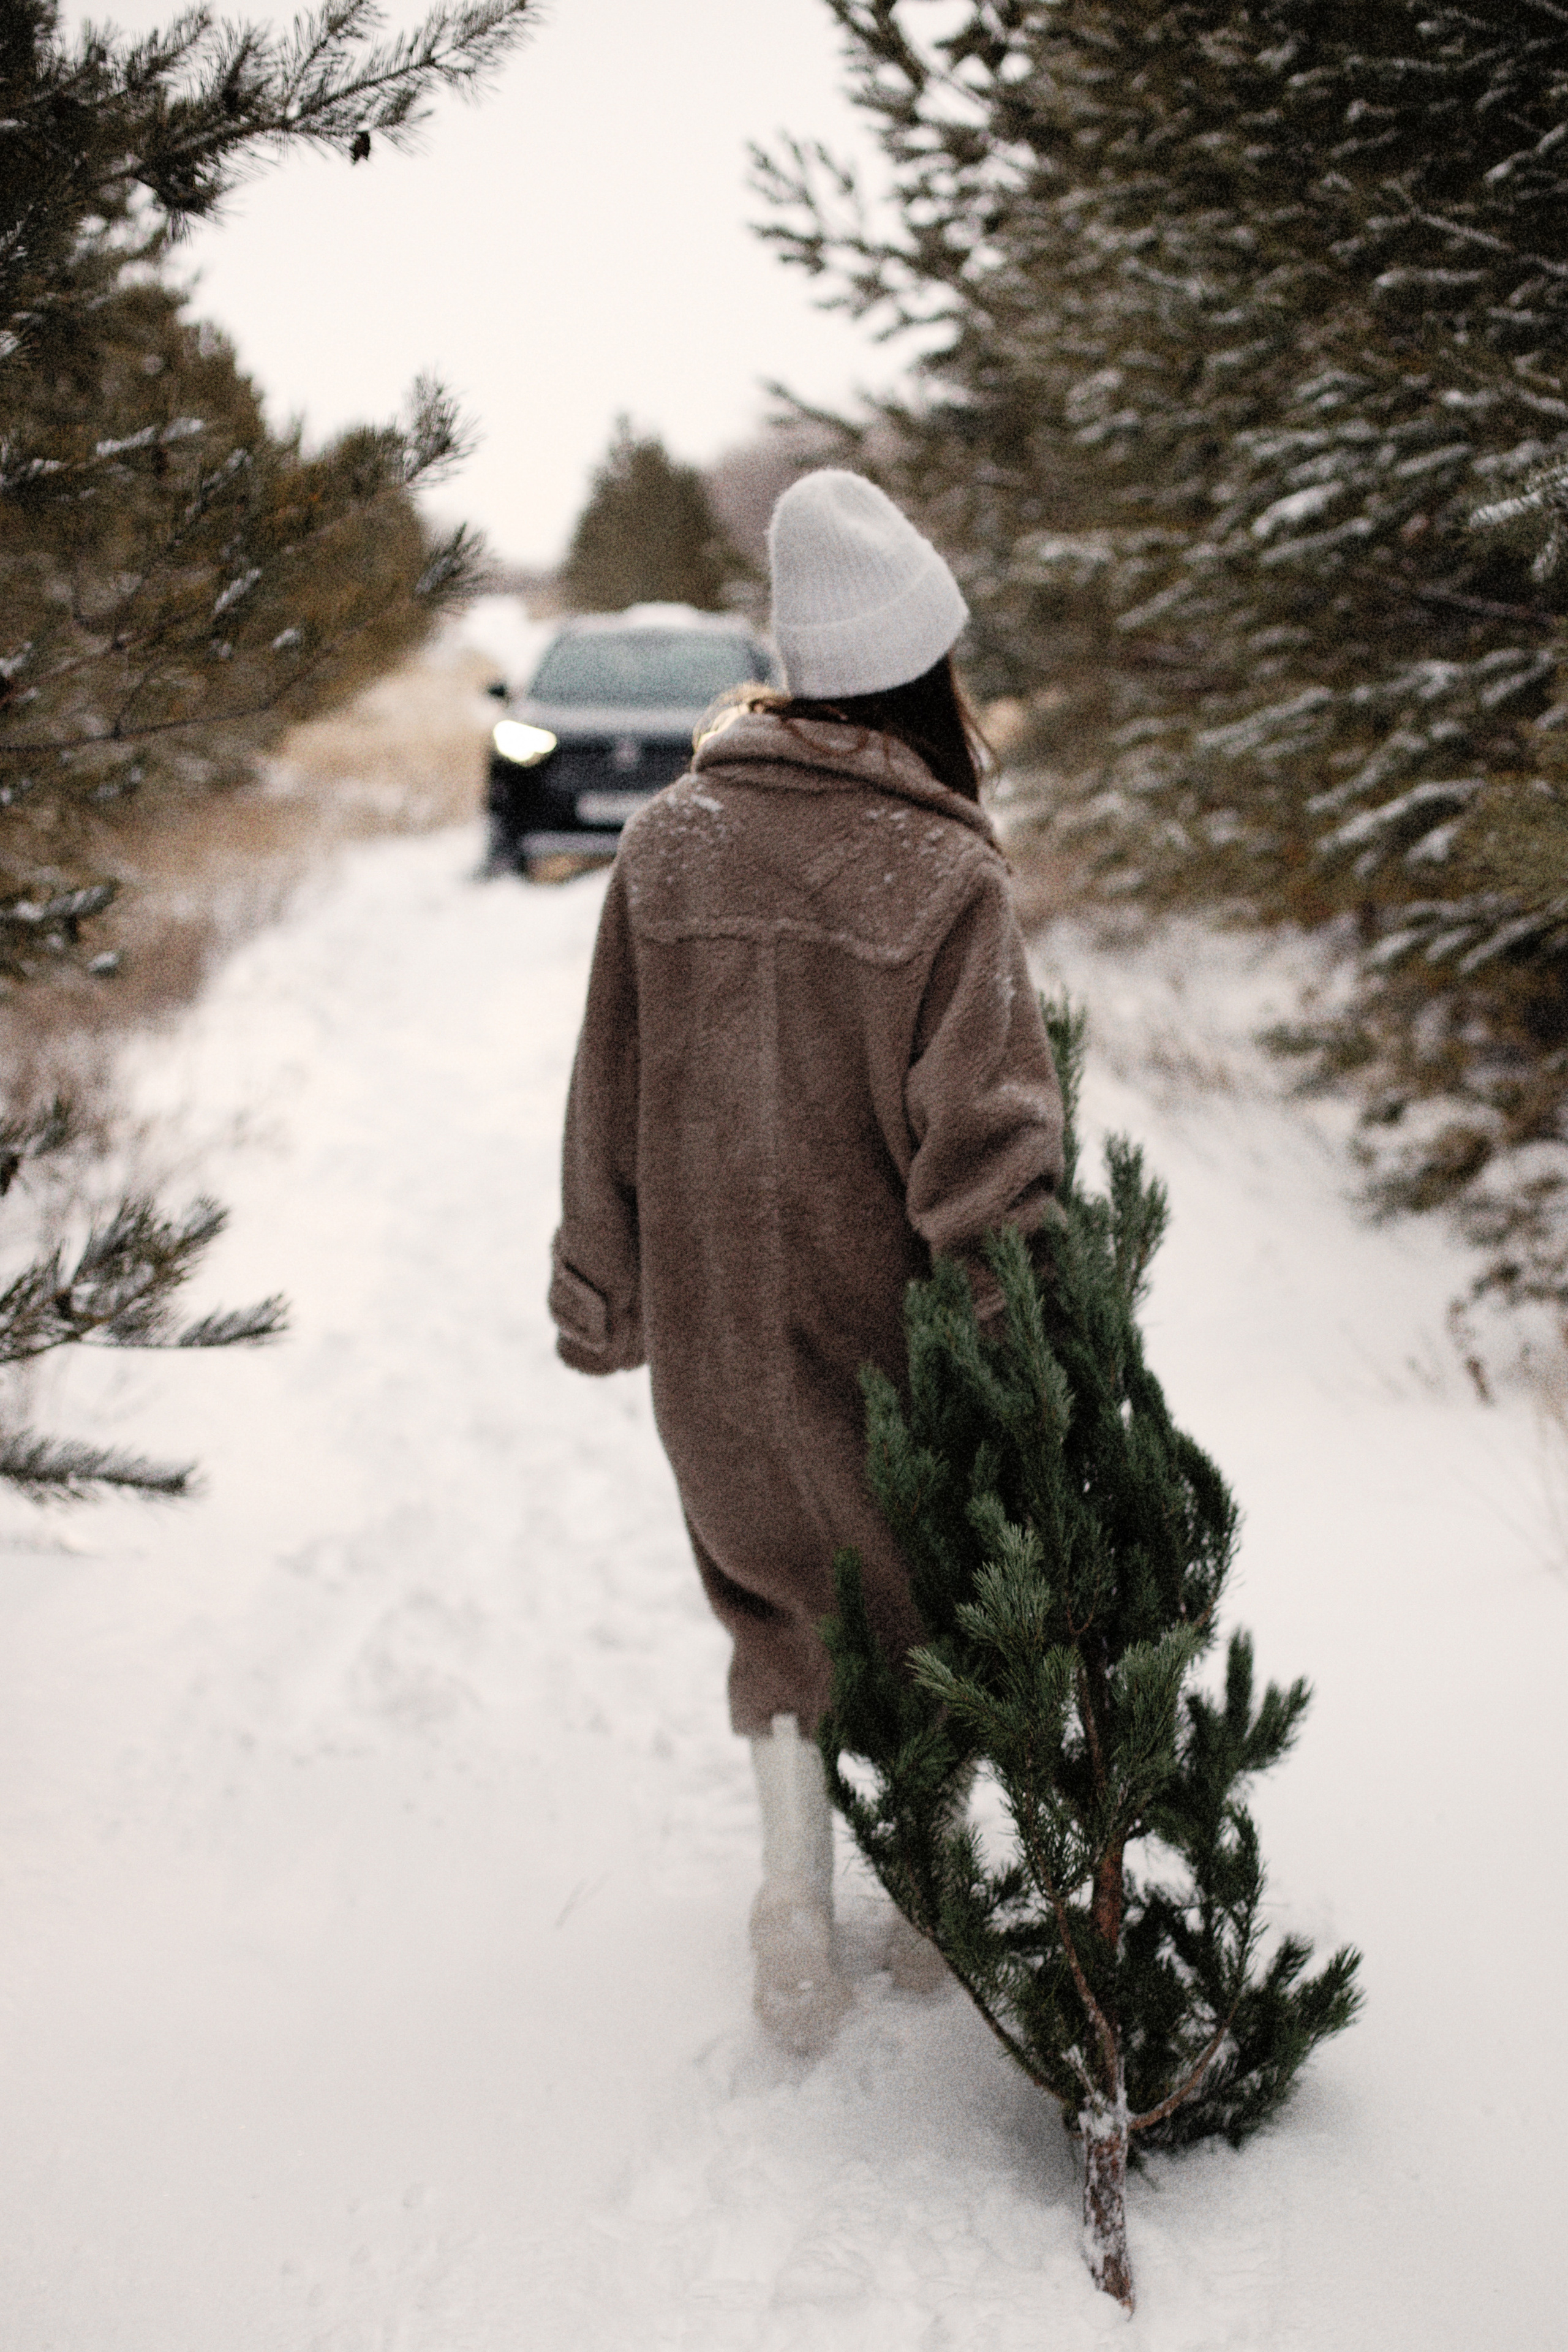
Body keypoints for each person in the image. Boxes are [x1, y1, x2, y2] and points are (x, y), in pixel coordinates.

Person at [549, 470, 1064, 2052]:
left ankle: (793, 1896)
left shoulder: (671, 846)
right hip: (886, 1330)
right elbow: (990, 1157)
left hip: (715, 1327)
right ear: (922, 671)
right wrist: (1030, 1350)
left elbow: (605, 1093)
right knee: (914, 1603)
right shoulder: (942, 875)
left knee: (773, 1601)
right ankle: (915, 1900)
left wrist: (604, 1282)